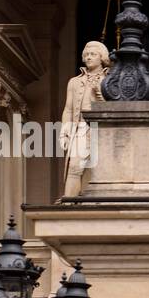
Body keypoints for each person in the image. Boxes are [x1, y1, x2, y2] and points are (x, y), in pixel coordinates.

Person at [59, 41, 109, 199]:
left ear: (102, 58)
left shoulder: (110, 80)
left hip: (103, 130)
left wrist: (101, 97)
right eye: (86, 55)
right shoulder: (74, 82)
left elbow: (115, 108)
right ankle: (69, 203)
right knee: (74, 167)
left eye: (93, 54)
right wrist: (64, 132)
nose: (88, 57)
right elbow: (68, 108)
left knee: (101, 171)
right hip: (80, 129)